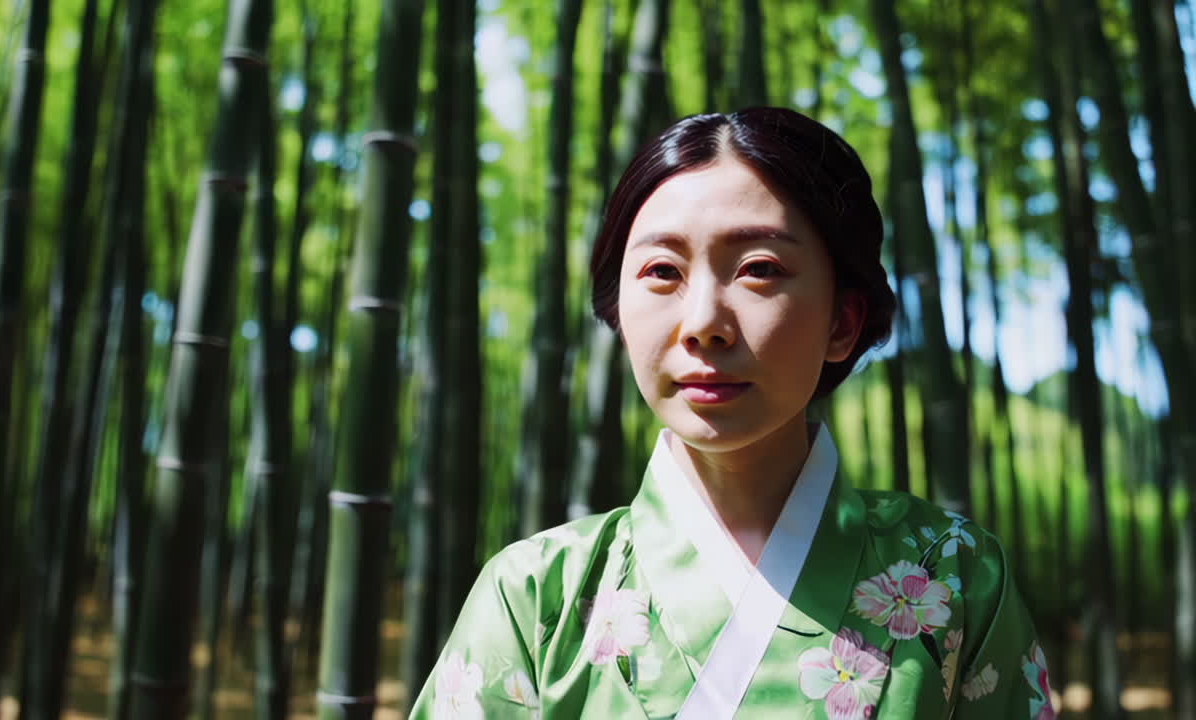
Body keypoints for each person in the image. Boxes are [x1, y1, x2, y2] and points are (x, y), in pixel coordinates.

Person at [409, 108, 1053, 720]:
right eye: (662, 271)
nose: (703, 325)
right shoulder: (536, 594)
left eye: (760, 269)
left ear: (843, 321)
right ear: (620, 315)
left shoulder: (951, 572)